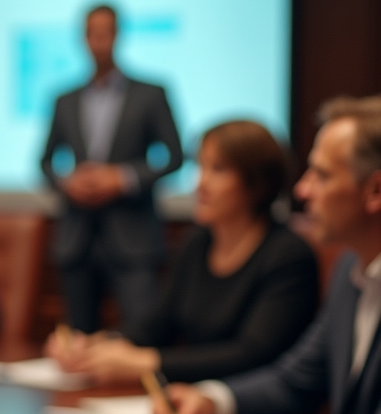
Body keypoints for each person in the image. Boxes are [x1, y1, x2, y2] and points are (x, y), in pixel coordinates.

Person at [154, 96, 381, 414]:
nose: (301, 190)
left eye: (321, 175)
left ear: (375, 190)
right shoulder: (350, 270)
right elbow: (296, 377)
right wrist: (213, 400)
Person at [47, 120, 318, 383]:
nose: (200, 184)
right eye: (200, 167)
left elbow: (253, 354)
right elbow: (155, 326)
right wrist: (94, 344)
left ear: (258, 182)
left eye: (218, 170)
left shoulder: (288, 255)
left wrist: (148, 363)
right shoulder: (197, 243)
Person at [41, 4, 183, 334]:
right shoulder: (65, 99)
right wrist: (68, 183)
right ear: (83, 38)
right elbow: (45, 162)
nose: (99, 41)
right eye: (92, 33)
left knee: (141, 333)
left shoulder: (150, 94)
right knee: (80, 341)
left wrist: (123, 178)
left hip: (133, 237)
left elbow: (175, 157)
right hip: (77, 238)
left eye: (105, 33)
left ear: (118, 35)